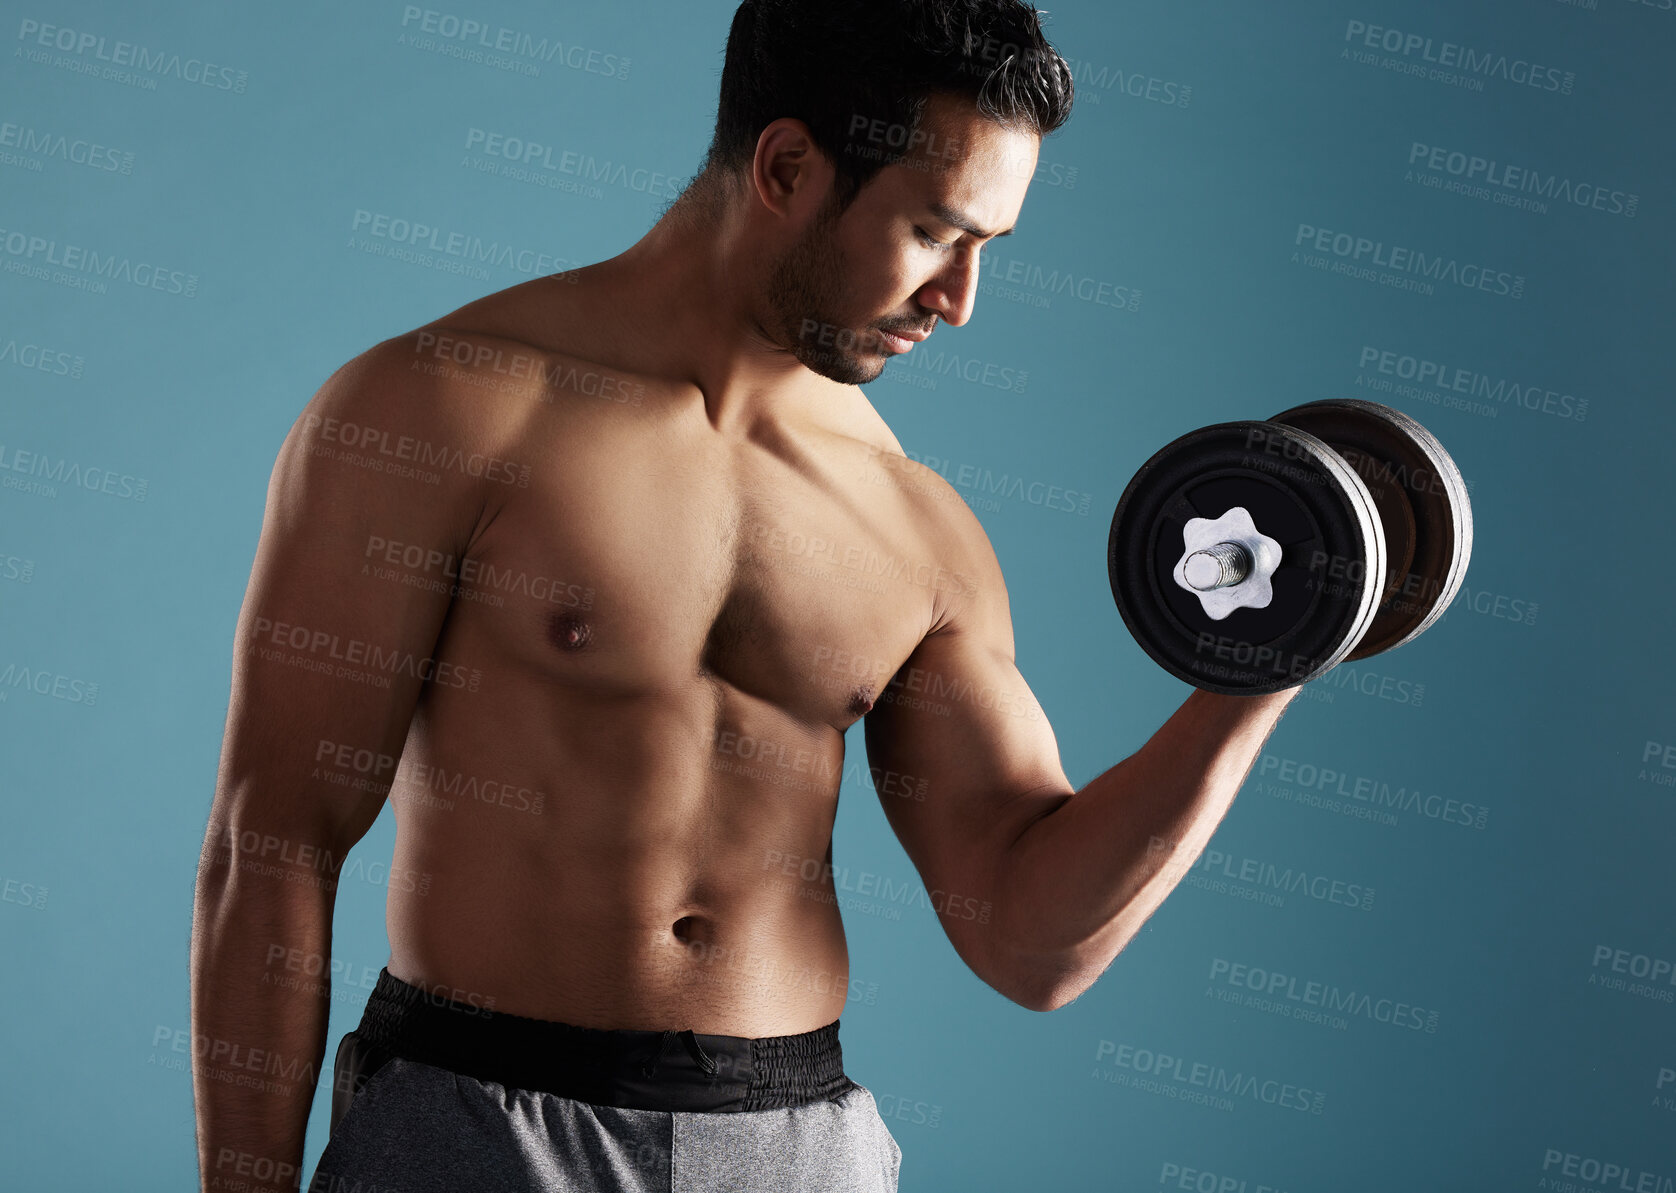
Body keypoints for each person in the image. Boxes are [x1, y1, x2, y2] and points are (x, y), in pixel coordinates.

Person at [190, 2, 1298, 1189]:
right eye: (933, 231)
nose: (959, 298)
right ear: (784, 166)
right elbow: (277, 841)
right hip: (478, 1126)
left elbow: (1031, 939)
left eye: (988, 247)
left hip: (791, 1142)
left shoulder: (912, 520)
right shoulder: (440, 411)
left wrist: (1259, 673)